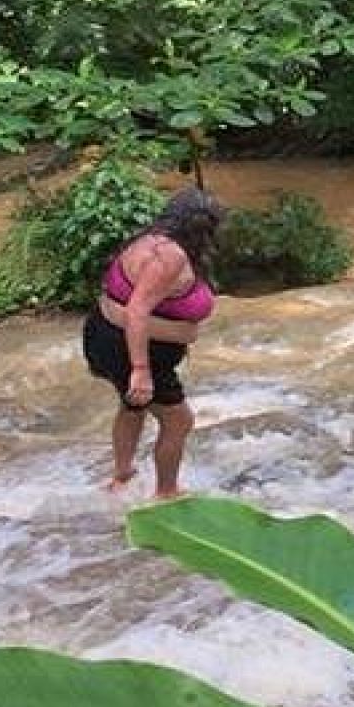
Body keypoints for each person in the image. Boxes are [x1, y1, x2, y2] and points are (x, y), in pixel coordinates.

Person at [82, 186, 223, 497]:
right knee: (178, 421)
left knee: (133, 405)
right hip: (129, 348)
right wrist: (141, 369)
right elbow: (136, 311)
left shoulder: (150, 239)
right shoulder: (168, 257)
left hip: (109, 336)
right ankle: (166, 492)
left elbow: (124, 305)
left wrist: (181, 334)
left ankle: (122, 476)